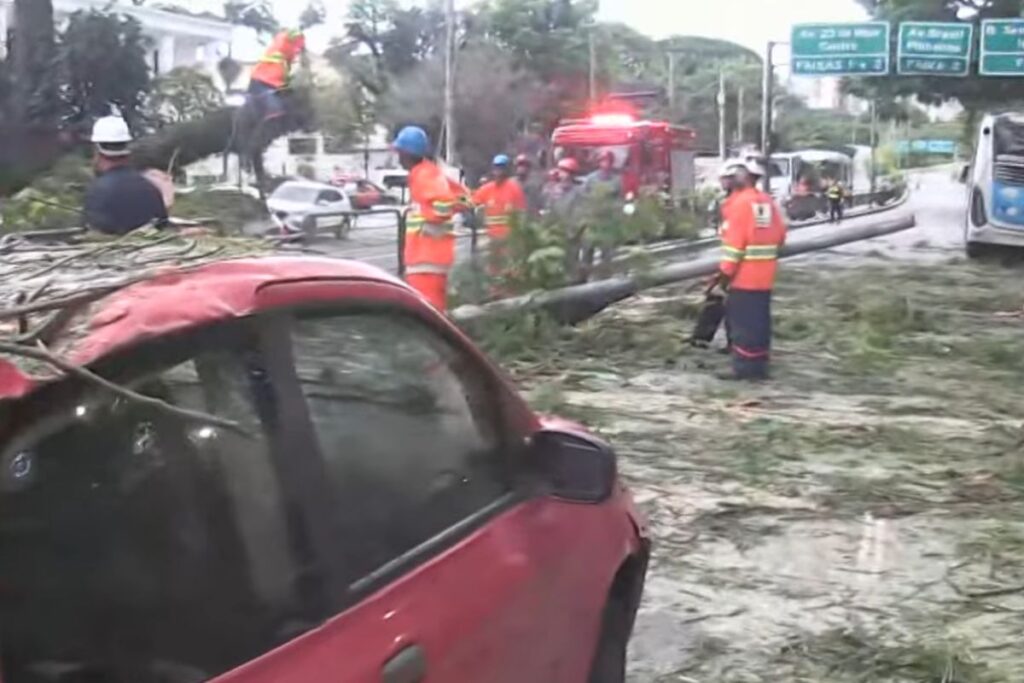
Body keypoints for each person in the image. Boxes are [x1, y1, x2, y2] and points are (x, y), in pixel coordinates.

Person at [707, 159, 787, 380]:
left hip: (744, 278)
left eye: (726, 181)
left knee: (743, 325)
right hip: (764, 277)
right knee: (759, 322)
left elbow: (734, 247)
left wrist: (723, 276)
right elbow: (780, 236)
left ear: (736, 180)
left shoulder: (740, 205)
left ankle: (745, 371)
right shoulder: (766, 202)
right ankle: (759, 367)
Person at [393, 125, 470, 312]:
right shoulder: (428, 173)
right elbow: (464, 198)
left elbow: (445, 204)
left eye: (400, 152)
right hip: (429, 260)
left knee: (430, 316)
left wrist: (430, 216)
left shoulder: (425, 176)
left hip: (426, 260)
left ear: (407, 153)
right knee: (433, 313)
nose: (398, 157)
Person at [83, 115, 168, 236]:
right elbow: (162, 225)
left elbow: (93, 234)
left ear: (97, 149)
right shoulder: (151, 188)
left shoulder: (97, 192)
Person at [247, 29, 305, 122]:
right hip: (262, 83)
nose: (297, 52)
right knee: (276, 110)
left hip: (269, 84)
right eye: (297, 48)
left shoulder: (285, 59)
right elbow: (291, 37)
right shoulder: (280, 47)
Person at [472, 155, 526, 242]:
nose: (498, 171)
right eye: (496, 167)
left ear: (506, 169)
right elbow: (471, 201)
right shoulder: (487, 189)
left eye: (501, 167)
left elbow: (521, 213)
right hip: (491, 238)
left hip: (509, 239)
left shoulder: (515, 189)